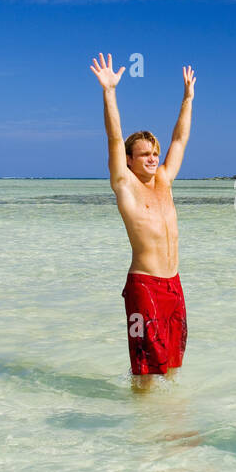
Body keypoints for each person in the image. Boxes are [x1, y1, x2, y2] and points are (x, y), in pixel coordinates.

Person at [91, 53, 194, 382]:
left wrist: (188, 98)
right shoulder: (125, 186)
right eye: (144, 155)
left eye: (154, 153)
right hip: (144, 288)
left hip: (173, 286)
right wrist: (109, 92)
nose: (152, 159)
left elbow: (179, 140)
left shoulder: (164, 180)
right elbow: (114, 138)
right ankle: (143, 430)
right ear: (129, 160)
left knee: (174, 366)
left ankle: (169, 422)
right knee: (147, 371)